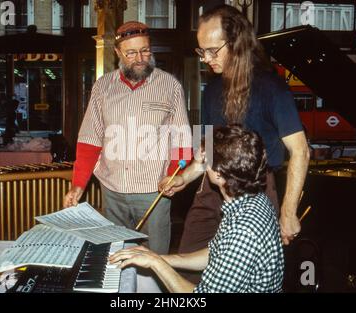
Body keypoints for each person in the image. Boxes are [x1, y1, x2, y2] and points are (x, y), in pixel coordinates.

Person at [159, 5, 310, 260]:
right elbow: (203, 150)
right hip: (211, 189)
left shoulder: (272, 87)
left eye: (212, 50)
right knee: (186, 260)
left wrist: (288, 210)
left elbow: (301, 151)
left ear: (236, 42)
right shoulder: (211, 89)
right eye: (201, 50)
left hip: (256, 191)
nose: (205, 58)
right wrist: (183, 178)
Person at [63, 21, 192, 254]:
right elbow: (90, 140)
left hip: (155, 191)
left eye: (145, 50)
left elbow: (182, 139)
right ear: (118, 53)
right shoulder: (103, 87)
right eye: (131, 53)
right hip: (113, 191)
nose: (140, 58)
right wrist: (78, 185)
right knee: (116, 255)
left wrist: (176, 175)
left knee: (155, 258)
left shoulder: (170, 85)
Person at [110, 126, 285, 293]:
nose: (201, 162)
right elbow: (215, 253)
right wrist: (160, 258)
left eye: (205, 159)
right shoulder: (251, 199)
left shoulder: (244, 231)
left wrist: (156, 263)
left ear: (218, 174)